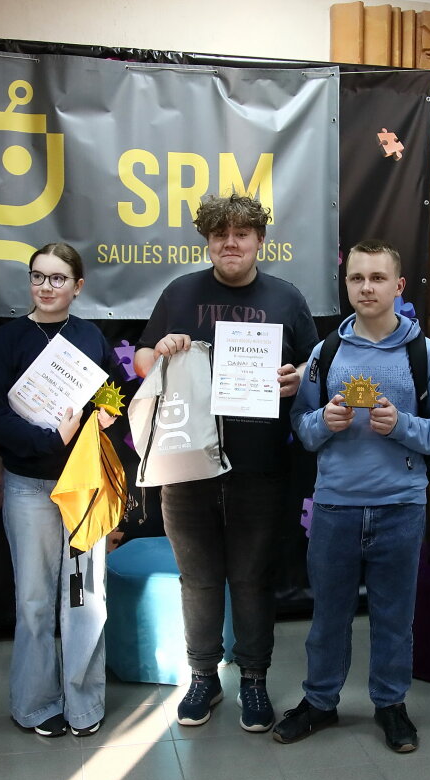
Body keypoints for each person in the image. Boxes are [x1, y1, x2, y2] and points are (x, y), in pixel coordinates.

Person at [133, 192, 318, 733]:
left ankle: (254, 681)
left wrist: (298, 377)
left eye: (241, 234)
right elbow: (141, 358)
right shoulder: (180, 292)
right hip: (185, 465)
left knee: (252, 579)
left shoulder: (286, 297)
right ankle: (203, 678)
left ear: (260, 240)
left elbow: (315, 365)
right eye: (220, 234)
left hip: (259, 466)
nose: (230, 243)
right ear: (208, 241)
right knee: (198, 579)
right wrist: (158, 353)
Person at [276, 240, 430, 753]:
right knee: (328, 617)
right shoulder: (325, 352)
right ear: (346, 284)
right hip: (334, 505)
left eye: (378, 278)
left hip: (401, 506)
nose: (366, 287)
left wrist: (402, 425)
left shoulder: (426, 354)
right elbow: (302, 426)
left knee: (394, 618)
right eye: (357, 278)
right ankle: (320, 700)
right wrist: (325, 421)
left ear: (399, 286)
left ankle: (391, 704)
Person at [0, 243, 115, 739]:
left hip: (82, 485)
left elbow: (112, 390)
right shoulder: (9, 338)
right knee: (34, 602)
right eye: (38, 276)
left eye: (58, 278)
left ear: (78, 287)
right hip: (28, 486)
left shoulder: (90, 335)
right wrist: (47, 439)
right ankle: (35, 705)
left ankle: (84, 704)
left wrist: (109, 412)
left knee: (85, 599)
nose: (46, 286)